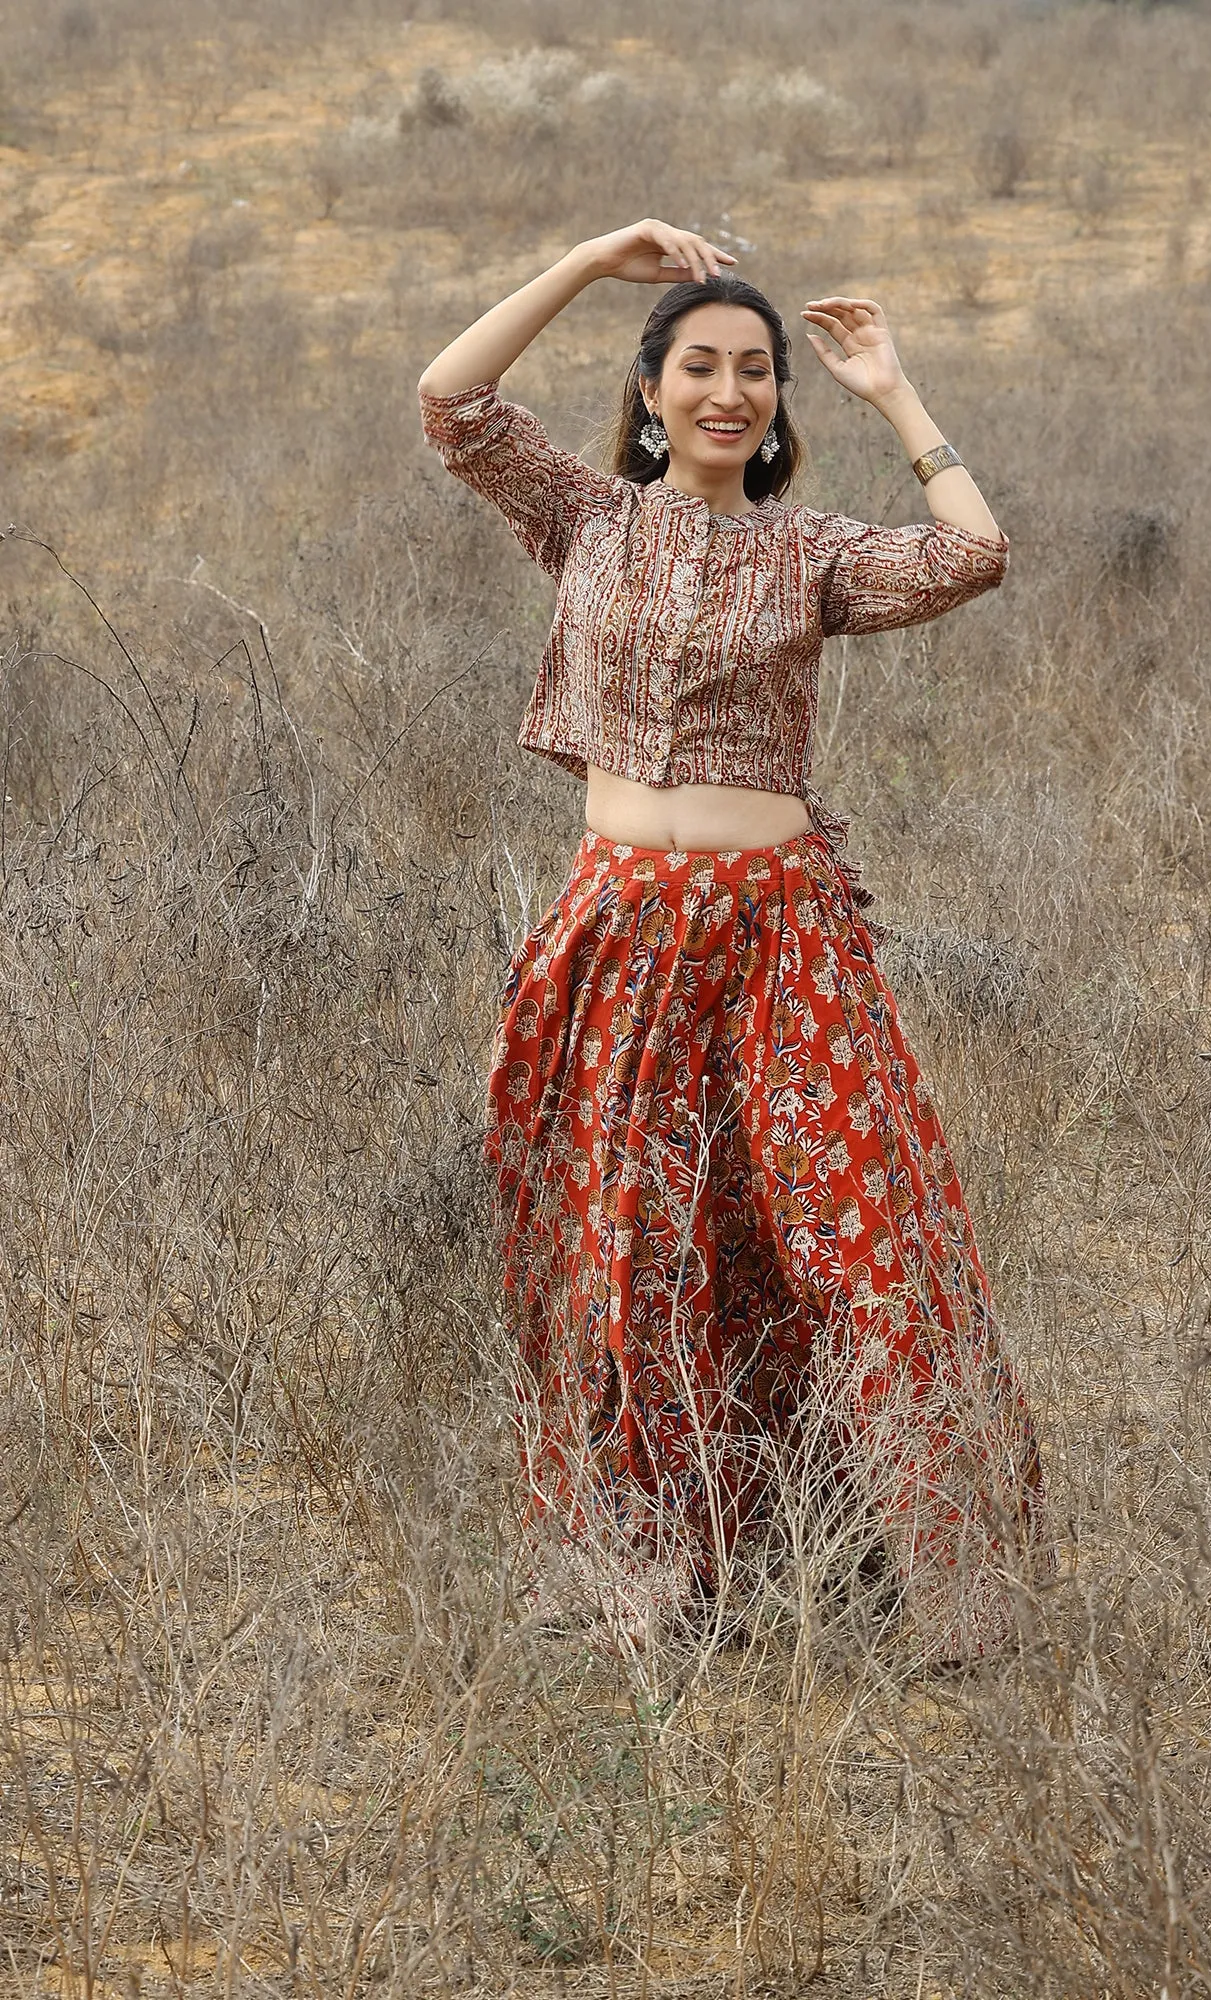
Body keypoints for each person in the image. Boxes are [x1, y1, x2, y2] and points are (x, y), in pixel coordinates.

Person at [418, 217, 1044, 1662]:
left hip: (782, 940)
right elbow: (451, 403)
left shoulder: (811, 553)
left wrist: (891, 388)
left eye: (755, 373)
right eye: (698, 365)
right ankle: (661, 1573)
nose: (728, 391)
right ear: (649, 392)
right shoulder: (584, 517)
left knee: (855, 1237)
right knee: (633, 1247)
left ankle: (938, 1589)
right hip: (621, 937)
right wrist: (585, 264)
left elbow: (975, 556)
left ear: (775, 405)